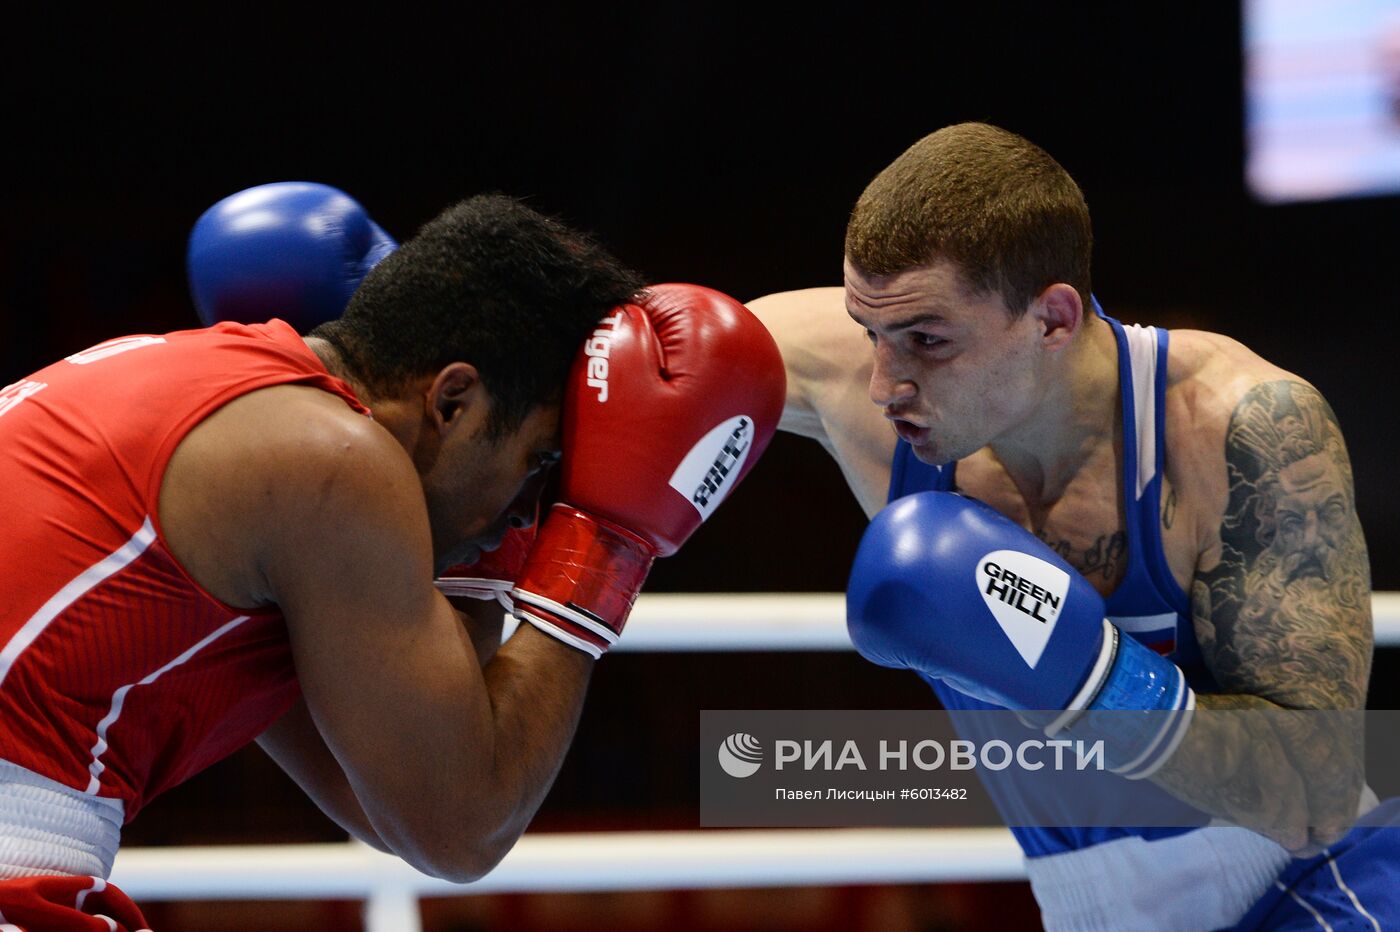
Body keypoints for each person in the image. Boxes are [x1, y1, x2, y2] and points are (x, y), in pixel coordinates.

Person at [0, 190, 785, 930]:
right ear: (452, 401)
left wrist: (485, 549)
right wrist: (607, 542)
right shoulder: (330, 460)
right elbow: (461, 827)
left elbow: (392, 799)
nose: (527, 513)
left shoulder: (200, 385)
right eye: (539, 462)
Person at [749, 122, 1390, 930]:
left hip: (1311, 891)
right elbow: (639, 350)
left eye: (926, 341)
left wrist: (1094, 683)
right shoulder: (870, 376)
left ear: (1054, 318)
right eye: (870, 332)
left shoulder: (1236, 426)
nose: (883, 384)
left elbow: (1320, 794)